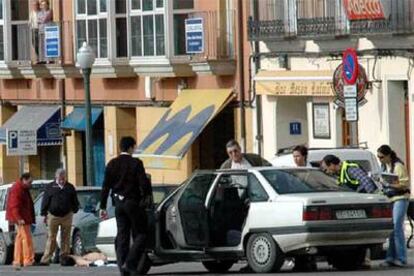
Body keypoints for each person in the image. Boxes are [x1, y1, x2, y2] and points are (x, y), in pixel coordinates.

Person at [100, 136, 151, 276]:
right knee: (141, 233)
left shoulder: (112, 163)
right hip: (132, 202)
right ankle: (130, 262)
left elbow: (105, 187)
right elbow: (144, 183)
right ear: (130, 148)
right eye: (134, 147)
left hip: (118, 204)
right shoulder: (136, 163)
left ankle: (123, 269)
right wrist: (146, 196)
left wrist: (102, 206)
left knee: (122, 235)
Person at [377, 145, 410, 267]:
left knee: (397, 227)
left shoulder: (398, 166)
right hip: (389, 198)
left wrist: (390, 184)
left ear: (388, 155)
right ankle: (390, 257)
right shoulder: (384, 166)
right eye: (378, 157)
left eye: (381, 157)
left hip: (400, 198)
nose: (379, 159)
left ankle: (401, 258)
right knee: (391, 229)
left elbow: (405, 184)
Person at [39, 168, 79, 265]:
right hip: (53, 216)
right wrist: (44, 213)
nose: (62, 181)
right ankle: (46, 259)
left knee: (65, 237)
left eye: (63, 178)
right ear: (56, 177)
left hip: (67, 215)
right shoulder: (50, 187)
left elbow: (74, 200)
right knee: (51, 237)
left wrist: (75, 209)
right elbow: (45, 200)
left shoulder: (70, 187)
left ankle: (64, 258)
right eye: (60, 179)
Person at [5, 173, 35, 268]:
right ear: (24, 180)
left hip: (22, 217)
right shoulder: (18, 188)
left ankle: (18, 260)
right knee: (26, 238)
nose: (31, 184)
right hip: (22, 218)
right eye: (29, 182)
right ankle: (27, 259)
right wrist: (19, 218)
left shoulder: (22, 188)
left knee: (19, 238)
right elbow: (14, 205)